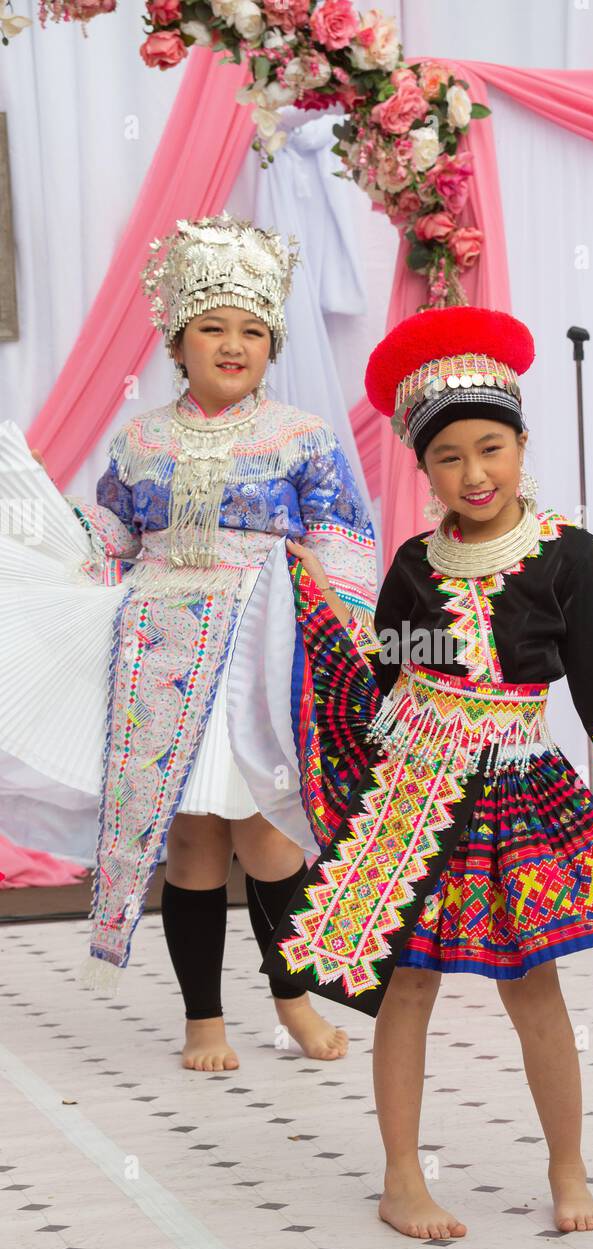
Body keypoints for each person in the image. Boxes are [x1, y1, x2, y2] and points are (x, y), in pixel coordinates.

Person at [252, 304, 593, 1239]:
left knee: (533, 984)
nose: (475, 473)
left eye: (491, 448)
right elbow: (384, 671)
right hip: (414, 796)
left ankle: (568, 1169)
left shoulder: (567, 558)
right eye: (449, 457)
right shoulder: (414, 563)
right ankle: (402, 1178)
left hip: (519, 790)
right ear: (423, 469)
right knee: (404, 983)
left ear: (523, 445)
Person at [0, 214, 377, 1072]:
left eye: (252, 330)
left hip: (261, 651)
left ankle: (293, 1005)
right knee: (197, 841)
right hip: (161, 654)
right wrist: (51, 544)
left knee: (272, 838)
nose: (233, 344)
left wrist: (332, 600)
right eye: (213, 327)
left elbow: (347, 536)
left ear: (272, 342)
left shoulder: (304, 437)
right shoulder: (140, 441)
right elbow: (110, 538)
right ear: (178, 339)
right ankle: (202, 1018)